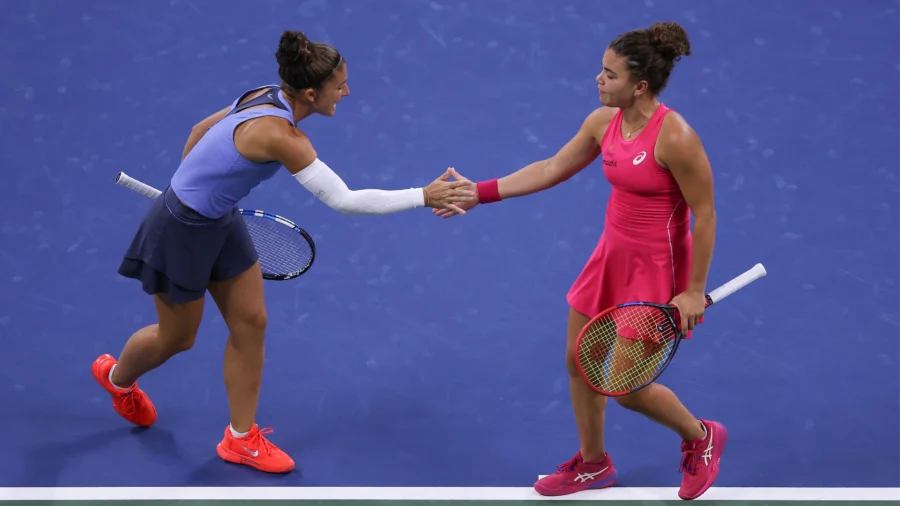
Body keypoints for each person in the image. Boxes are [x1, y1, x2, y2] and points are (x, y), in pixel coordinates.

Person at [91, 30, 474, 474]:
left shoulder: (265, 93)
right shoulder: (282, 136)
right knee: (178, 338)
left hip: (220, 219)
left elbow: (201, 131)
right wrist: (422, 196)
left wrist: (201, 185)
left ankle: (240, 439)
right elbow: (344, 201)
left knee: (252, 323)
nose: (347, 92)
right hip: (181, 230)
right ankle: (117, 379)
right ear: (311, 94)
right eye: (340, 86)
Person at [436, 22, 723, 500]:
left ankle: (700, 436)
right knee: (579, 361)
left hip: (657, 271)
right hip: (610, 258)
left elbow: (706, 214)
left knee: (626, 387)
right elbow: (552, 167)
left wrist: (694, 289)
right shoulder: (602, 122)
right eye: (601, 70)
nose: (598, 80)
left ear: (640, 86)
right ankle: (593, 464)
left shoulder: (675, 137)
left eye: (609, 75)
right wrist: (478, 194)